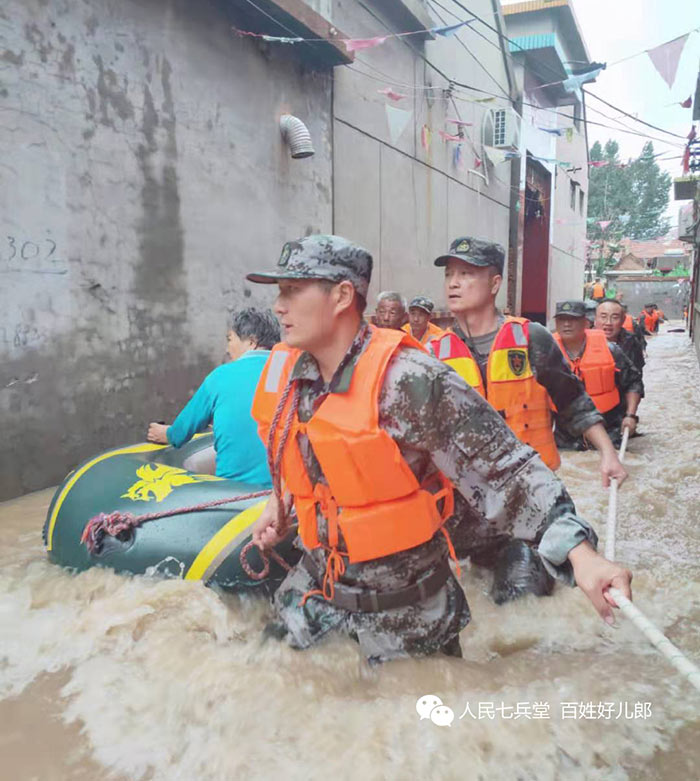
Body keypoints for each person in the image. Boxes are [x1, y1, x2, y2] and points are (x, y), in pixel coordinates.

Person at [246, 234, 632, 664]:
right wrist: (279, 504)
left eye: (292, 291)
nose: (279, 306)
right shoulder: (291, 371)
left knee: (424, 717)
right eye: (279, 291)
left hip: (403, 607)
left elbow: (506, 469)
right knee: (262, 681)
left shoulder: (411, 379)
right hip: (318, 587)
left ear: (341, 296)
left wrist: (582, 555)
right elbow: (308, 459)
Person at [429, 237, 626, 483]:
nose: (453, 283)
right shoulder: (434, 353)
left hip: (532, 482)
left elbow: (572, 401)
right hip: (469, 491)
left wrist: (608, 453)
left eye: (466, 274)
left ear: (494, 284)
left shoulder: (530, 338)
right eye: (448, 275)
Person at [146, 308, 280, 485]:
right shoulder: (292, 372)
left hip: (235, 495)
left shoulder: (221, 377)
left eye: (230, 339)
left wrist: (165, 434)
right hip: (289, 495)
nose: (227, 348)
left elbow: (180, 433)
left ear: (251, 342)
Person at [552, 301, 643, 448]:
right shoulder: (546, 352)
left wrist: (630, 416)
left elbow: (634, 382)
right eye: (562, 320)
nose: (566, 324)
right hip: (566, 434)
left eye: (573, 320)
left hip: (608, 428)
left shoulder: (610, 349)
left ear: (585, 323)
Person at [596, 299, 645, 372]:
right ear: (595, 319)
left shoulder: (632, 342)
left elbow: (636, 375)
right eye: (603, 317)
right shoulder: (583, 341)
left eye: (615, 318)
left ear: (623, 320)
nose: (608, 322)